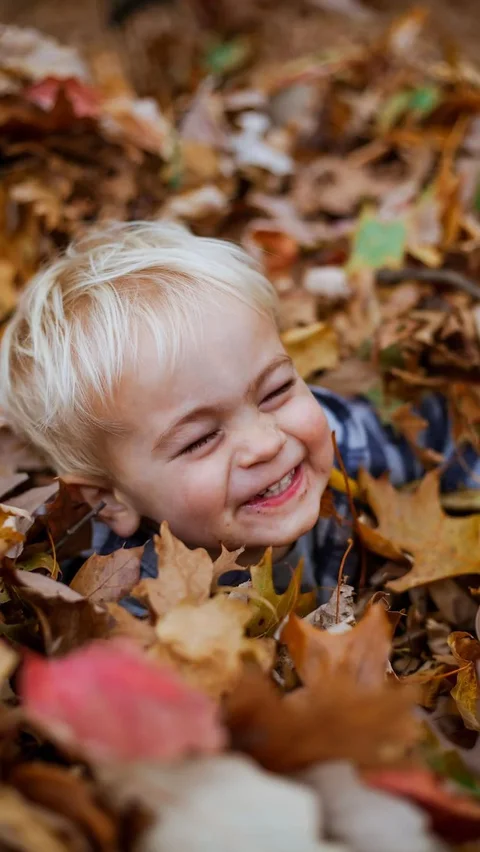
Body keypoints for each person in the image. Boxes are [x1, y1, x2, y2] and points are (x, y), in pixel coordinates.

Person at [0, 222, 477, 612]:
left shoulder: (342, 440)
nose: (266, 442)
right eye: (201, 439)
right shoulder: (124, 608)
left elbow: (450, 436)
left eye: (275, 390)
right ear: (110, 501)